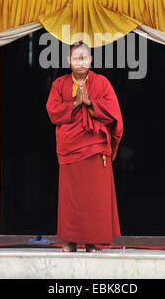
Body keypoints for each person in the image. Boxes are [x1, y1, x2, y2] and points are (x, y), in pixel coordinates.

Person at [46, 41, 123, 253]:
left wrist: (90, 103)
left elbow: (114, 113)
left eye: (84, 57)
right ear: (69, 61)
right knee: (71, 198)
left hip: (95, 147)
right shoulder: (59, 85)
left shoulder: (102, 83)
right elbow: (53, 111)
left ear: (90, 60)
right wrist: (74, 104)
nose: (80, 62)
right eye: (76, 58)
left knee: (94, 197)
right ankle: (70, 242)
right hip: (70, 147)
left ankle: (91, 243)